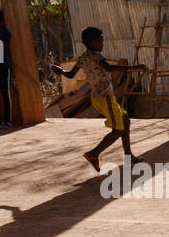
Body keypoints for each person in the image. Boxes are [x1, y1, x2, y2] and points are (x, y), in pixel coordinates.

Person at [61, 26, 145, 172]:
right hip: (104, 97)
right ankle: (93, 154)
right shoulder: (96, 56)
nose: (102, 44)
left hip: (100, 98)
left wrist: (60, 70)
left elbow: (70, 75)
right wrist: (135, 67)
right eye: (100, 41)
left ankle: (128, 155)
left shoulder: (83, 57)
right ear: (92, 42)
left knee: (125, 119)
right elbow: (109, 68)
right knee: (118, 129)